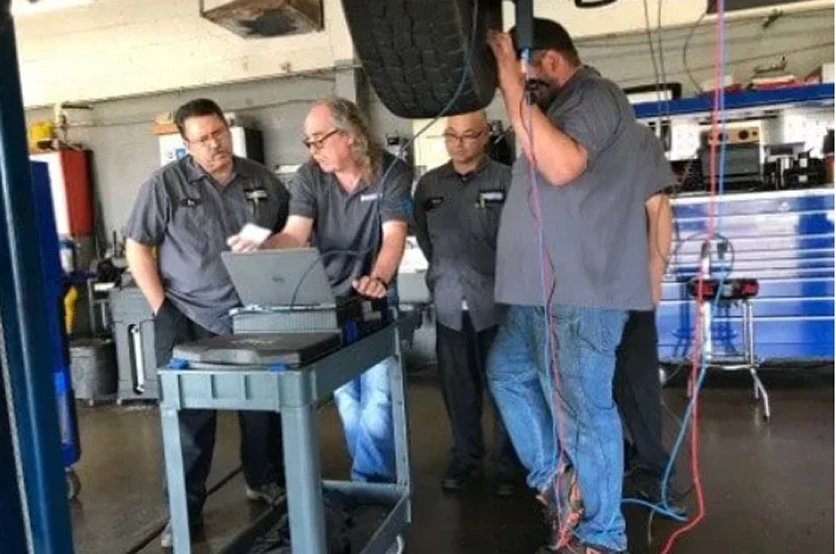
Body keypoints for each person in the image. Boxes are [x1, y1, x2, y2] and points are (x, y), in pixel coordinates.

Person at [485, 19, 667, 554]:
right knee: (508, 372)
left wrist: (509, 83)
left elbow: (563, 166)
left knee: (585, 413)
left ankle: (602, 538)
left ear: (548, 61)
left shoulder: (596, 95)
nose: (518, 86)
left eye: (524, 73)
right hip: (538, 292)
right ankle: (557, 482)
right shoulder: (552, 111)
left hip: (582, 294)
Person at [123, 98, 289, 548]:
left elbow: (290, 227)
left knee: (262, 410)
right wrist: (162, 308)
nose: (215, 144)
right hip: (187, 316)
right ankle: (184, 509)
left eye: (219, 133)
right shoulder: (165, 185)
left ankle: (263, 479)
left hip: (252, 314)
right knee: (189, 423)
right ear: (186, 143)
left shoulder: (260, 179)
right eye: (203, 139)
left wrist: (268, 240)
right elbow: (137, 247)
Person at [228, 97, 412, 486]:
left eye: (319, 140)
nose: (313, 150)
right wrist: (262, 244)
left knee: (379, 397)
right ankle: (372, 480)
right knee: (348, 396)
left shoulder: (390, 171)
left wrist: (378, 278)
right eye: (308, 142)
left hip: (375, 297)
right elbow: (295, 234)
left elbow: (393, 236)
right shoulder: (311, 176)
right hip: (330, 301)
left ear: (349, 135)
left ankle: (370, 484)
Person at [412, 110, 518, 495]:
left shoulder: (508, 180)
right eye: (451, 136)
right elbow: (427, 241)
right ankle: (466, 457)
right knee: (458, 388)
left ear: (487, 135)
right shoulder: (427, 185)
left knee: (505, 386)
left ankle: (509, 464)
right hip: (449, 305)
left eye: (469, 135)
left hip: (498, 304)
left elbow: (521, 240)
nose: (460, 144)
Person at [615, 126, 675, 505]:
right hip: (580, 291)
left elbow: (659, 210)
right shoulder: (560, 139)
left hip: (629, 284)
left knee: (637, 382)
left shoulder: (635, 141)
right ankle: (619, 459)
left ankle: (652, 469)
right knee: (595, 388)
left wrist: (655, 277)